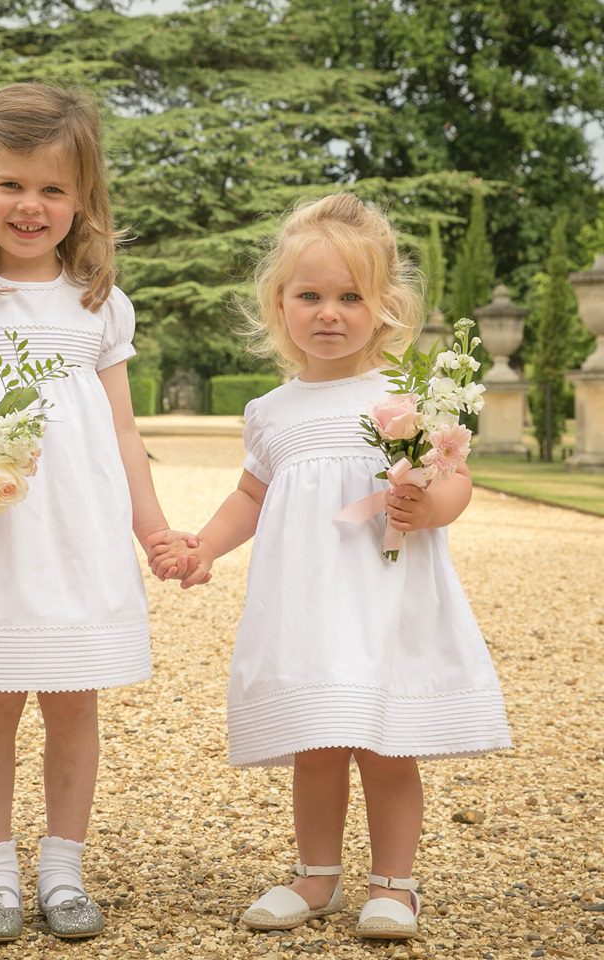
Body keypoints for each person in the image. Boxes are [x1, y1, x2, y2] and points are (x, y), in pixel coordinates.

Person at [0, 82, 198, 943]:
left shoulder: (98, 304)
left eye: (54, 189)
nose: (31, 205)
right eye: (12, 184)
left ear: (83, 200)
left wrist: (154, 528)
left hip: (76, 538)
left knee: (72, 698)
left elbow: (123, 433)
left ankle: (62, 869)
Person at [147, 193, 511, 940]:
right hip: (305, 601)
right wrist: (203, 545)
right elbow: (252, 493)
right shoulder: (270, 410)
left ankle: (394, 884)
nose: (330, 313)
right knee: (316, 742)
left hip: (382, 596)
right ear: (278, 305)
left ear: (384, 308)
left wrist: (433, 507)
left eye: (352, 297)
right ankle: (316, 876)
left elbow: (455, 477)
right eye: (309, 296)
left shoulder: (407, 396)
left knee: (384, 741)